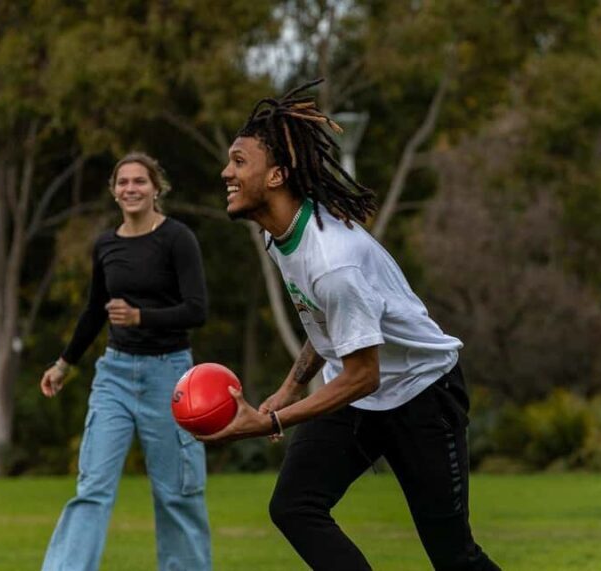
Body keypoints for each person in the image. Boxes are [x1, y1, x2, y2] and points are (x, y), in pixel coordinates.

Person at [201, 79, 502, 570]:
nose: (225, 173)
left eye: (239, 162)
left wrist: (271, 421)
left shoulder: (334, 261)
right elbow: (323, 322)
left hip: (421, 395)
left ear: (276, 176)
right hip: (360, 397)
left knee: (454, 557)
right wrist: (291, 386)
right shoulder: (279, 236)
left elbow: (365, 373)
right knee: (295, 507)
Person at [39, 152, 211, 571]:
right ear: (114, 191)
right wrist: (64, 363)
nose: (131, 189)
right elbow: (94, 310)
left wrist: (142, 317)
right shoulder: (106, 244)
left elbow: (197, 309)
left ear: (156, 188)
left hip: (170, 375)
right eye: (123, 182)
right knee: (93, 486)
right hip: (114, 374)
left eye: (140, 181)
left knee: (176, 492)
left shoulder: (177, 238)